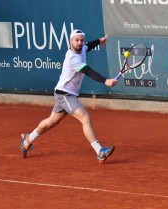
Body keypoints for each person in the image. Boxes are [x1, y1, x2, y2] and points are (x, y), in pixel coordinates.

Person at [20, 29, 118, 163]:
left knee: (52, 121)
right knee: (85, 118)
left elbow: (88, 46)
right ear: (70, 41)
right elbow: (88, 71)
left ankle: (28, 139)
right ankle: (99, 151)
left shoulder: (82, 47)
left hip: (63, 93)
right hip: (65, 94)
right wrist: (105, 80)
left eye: (81, 40)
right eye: (76, 40)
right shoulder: (72, 58)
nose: (79, 43)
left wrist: (99, 41)